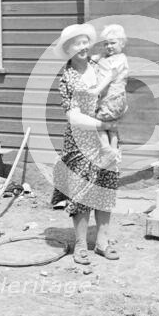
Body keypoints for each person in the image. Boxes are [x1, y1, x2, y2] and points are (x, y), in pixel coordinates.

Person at [52, 23, 120, 264]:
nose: (81, 47)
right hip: (80, 141)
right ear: (68, 49)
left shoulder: (97, 66)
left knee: (105, 187)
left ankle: (102, 241)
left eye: (84, 42)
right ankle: (81, 243)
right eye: (75, 44)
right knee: (81, 192)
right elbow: (72, 115)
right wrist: (102, 126)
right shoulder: (68, 78)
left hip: (106, 138)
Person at [89, 24, 129, 167]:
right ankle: (114, 152)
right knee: (111, 127)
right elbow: (94, 59)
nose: (109, 46)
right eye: (106, 44)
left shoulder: (119, 59)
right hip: (108, 100)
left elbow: (109, 77)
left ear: (122, 43)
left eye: (113, 43)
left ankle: (108, 151)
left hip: (112, 100)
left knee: (97, 124)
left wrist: (96, 90)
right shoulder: (108, 57)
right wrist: (99, 56)